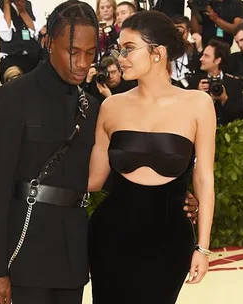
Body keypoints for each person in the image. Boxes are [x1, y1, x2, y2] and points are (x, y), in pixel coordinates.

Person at [0, 2, 200, 304]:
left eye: (90, 52)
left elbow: (106, 176)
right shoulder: (13, 98)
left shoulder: (90, 106)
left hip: (75, 254)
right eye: (73, 52)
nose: (82, 62)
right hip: (26, 250)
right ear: (49, 43)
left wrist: (173, 195)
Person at [88, 10, 215, 304]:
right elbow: (93, 180)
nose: (121, 57)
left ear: (158, 52)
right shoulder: (111, 107)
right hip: (111, 238)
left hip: (170, 241)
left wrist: (204, 248)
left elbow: (204, 178)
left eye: (129, 48)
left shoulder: (198, 104)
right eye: (120, 49)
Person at [192, 39, 243, 125]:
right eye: (202, 55)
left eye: (206, 56)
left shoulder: (234, 83)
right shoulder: (195, 81)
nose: (201, 59)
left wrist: (224, 99)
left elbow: (237, 118)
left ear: (217, 60)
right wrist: (198, 93)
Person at [0, 0, 44, 84]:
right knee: (14, 83)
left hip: (32, 56)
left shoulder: (29, 4)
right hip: (11, 58)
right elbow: (6, 36)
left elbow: (36, 33)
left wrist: (23, 12)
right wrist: (6, 4)